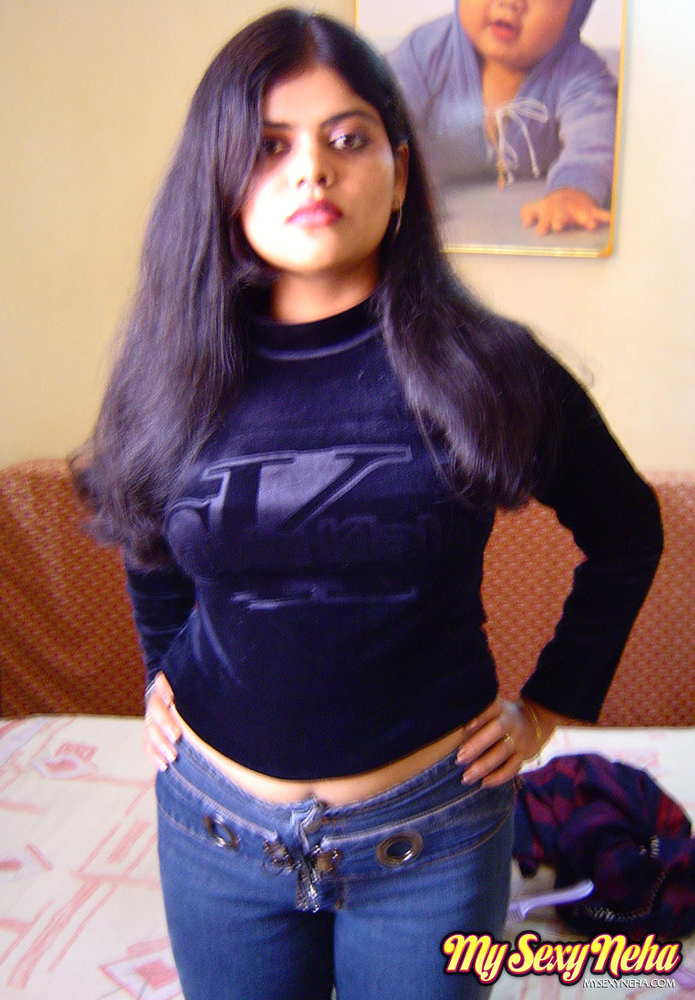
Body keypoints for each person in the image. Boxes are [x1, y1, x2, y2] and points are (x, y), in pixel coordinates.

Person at [72, 8, 662, 999]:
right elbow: (146, 535)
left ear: (399, 168)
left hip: (433, 841)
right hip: (215, 832)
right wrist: (160, 670)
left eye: (347, 139)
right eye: (269, 146)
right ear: (219, 176)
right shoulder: (170, 371)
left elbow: (627, 533)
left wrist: (546, 707)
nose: (312, 170)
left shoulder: (488, 367)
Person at [388, 0, 618, 234]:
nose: (510, 3)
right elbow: (385, 122)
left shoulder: (581, 72)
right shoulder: (422, 53)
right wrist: (404, 181)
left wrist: (573, 188)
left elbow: (594, 140)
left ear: (576, 10)